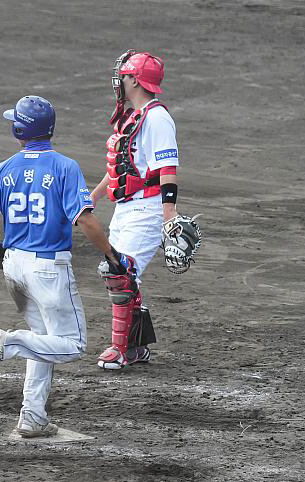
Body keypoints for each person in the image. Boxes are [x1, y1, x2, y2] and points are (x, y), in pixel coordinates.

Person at [0, 96, 133, 438]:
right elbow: (86, 221)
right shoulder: (64, 168)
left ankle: (32, 417)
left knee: (43, 341)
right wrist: (112, 255)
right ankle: (7, 342)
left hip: (13, 266)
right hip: (47, 270)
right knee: (71, 344)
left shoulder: (1, 169)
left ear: (19, 130)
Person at [90, 50, 180, 370]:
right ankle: (137, 347)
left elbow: (167, 168)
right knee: (126, 275)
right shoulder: (133, 116)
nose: (119, 81)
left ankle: (120, 349)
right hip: (126, 209)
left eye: (124, 76)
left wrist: (169, 214)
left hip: (148, 209)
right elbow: (120, 167)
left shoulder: (157, 118)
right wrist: (96, 196)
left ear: (135, 81)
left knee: (119, 272)